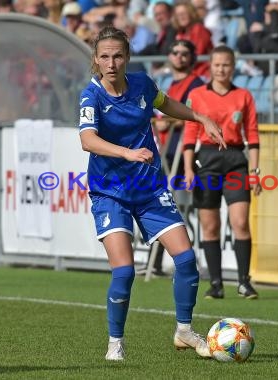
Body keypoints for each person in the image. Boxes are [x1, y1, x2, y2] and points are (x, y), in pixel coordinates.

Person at [78, 26, 225, 361]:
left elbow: (166, 104)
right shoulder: (91, 96)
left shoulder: (142, 83)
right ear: (96, 60)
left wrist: (200, 117)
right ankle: (115, 342)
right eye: (104, 56)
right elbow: (87, 140)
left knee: (187, 260)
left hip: (149, 188)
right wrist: (128, 153)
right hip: (110, 192)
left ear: (127, 57)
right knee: (125, 270)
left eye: (117, 55)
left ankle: (184, 331)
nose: (111, 62)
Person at [183, 45, 262, 300]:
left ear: (233, 66)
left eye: (226, 64)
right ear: (210, 66)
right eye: (217, 64)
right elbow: (189, 134)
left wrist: (255, 170)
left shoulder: (244, 96)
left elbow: (252, 135)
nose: (221, 69)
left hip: (236, 159)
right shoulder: (197, 94)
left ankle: (244, 282)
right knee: (210, 226)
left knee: (240, 222)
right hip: (206, 159)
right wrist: (188, 169)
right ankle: (216, 284)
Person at [140, 39, 204, 277]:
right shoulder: (169, 82)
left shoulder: (195, 85)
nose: (179, 56)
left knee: (169, 206)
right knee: (159, 203)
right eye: (175, 52)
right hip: (165, 150)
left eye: (185, 53)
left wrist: (166, 121)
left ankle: (161, 263)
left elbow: (186, 116)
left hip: (182, 150)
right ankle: (153, 262)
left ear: (192, 57)